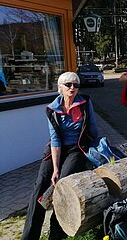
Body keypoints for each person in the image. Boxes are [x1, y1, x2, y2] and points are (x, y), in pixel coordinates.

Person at [22, 72, 100, 240]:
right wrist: (55, 168)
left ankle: (55, 235)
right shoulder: (52, 109)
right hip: (56, 150)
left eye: (76, 85)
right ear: (61, 87)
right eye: (69, 85)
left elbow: (93, 128)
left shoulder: (85, 102)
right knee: (40, 186)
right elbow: (55, 139)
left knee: (62, 185)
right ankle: (29, 237)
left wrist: (98, 148)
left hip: (77, 149)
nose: (73, 88)